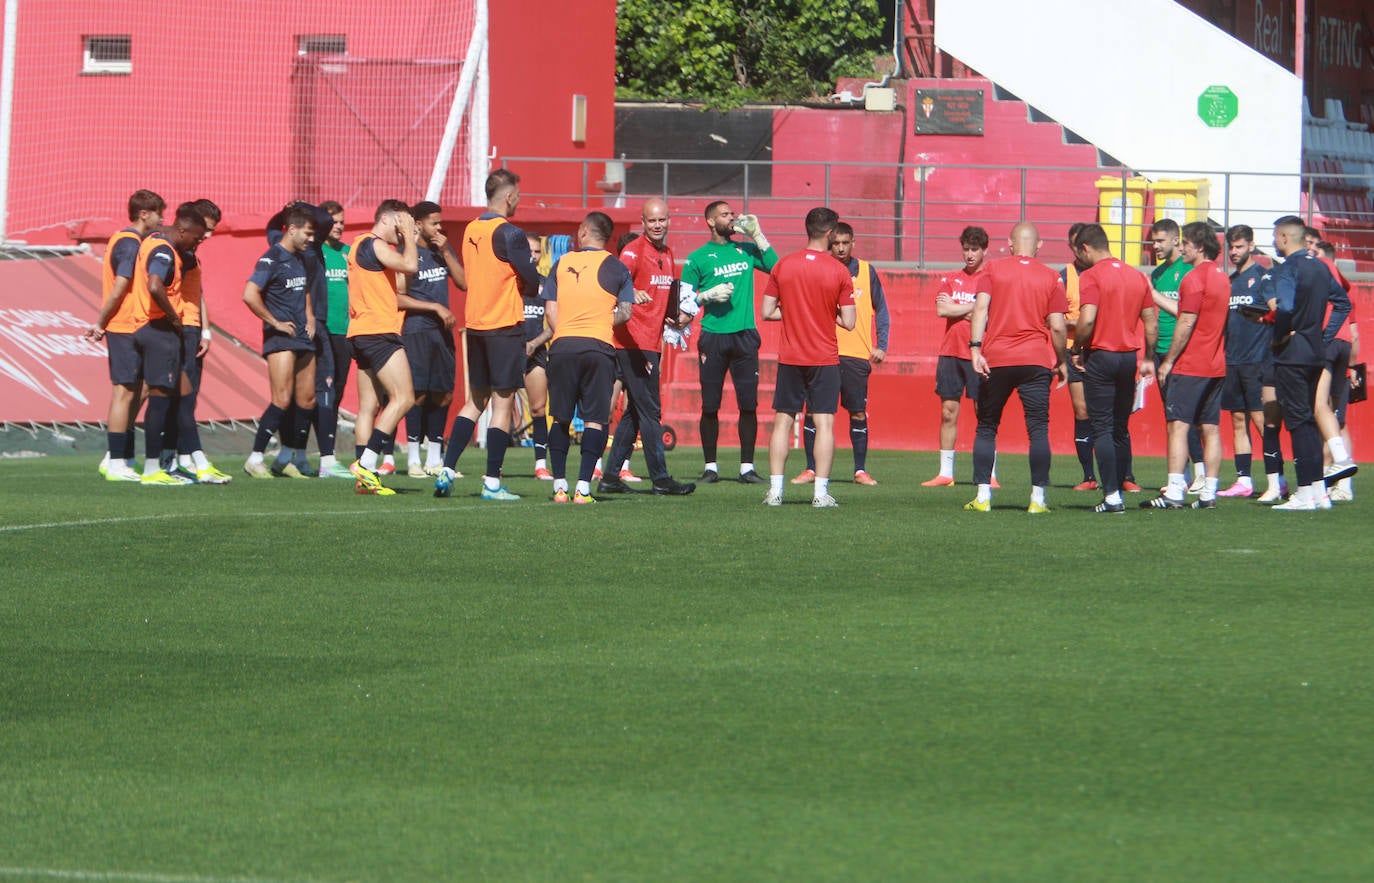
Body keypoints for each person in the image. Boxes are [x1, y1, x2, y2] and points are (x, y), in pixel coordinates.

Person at [435, 169, 541, 501]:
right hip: (504, 326)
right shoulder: (510, 233)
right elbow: (533, 281)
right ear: (509, 197)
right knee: (503, 404)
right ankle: (492, 482)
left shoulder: (470, 229)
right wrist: (526, 284)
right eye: (518, 196)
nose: (519, 202)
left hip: (477, 325)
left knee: (475, 402)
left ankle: (447, 470)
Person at [966, 223, 1069, 514]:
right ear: (1039, 245)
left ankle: (983, 496)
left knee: (987, 426)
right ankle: (1037, 500)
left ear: (1010, 244)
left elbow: (980, 309)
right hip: (1036, 359)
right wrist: (1062, 360)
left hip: (996, 357)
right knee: (1038, 429)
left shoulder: (993, 269)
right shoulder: (1051, 276)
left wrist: (975, 348)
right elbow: (1059, 326)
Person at [597, 197, 696, 496]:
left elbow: (664, 296)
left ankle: (611, 476)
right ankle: (661, 478)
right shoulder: (632, 251)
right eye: (651, 220)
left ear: (668, 221)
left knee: (637, 413)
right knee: (651, 411)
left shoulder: (668, 252)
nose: (657, 225)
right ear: (642, 222)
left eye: (661, 220)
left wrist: (678, 317)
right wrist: (632, 292)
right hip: (631, 344)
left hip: (651, 343)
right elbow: (612, 286)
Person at [760, 207, 857, 507]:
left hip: (791, 356)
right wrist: (825, 313)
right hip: (824, 358)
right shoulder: (839, 271)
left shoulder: (783, 266)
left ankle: (775, 491)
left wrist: (795, 312)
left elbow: (766, 311)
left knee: (783, 422)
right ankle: (820, 493)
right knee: (825, 423)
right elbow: (850, 321)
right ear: (830, 234)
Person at [679, 201, 779, 484]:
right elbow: (683, 301)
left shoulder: (746, 250)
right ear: (711, 222)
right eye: (725, 215)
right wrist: (706, 296)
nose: (732, 218)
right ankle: (711, 467)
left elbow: (777, 268)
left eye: (732, 214)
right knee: (710, 405)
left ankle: (747, 467)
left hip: (745, 336)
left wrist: (759, 236)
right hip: (712, 336)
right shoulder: (697, 258)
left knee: (749, 404)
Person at [541, 211, 635, 503]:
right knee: (595, 419)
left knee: (560, 418)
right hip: (598, 347)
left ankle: (559, 486)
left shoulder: (562, 262)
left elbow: (550, 311)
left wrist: (568, 332)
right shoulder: (617, 267)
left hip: (563, 345)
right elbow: (626, 312)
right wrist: (601, 323)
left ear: (583, 231)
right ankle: (583, 488)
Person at [1260, 215, 1352, 510]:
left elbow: (1284, 305)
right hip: (1315, 352)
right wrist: (1323, 337)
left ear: (1285, 238)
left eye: (1275, 236)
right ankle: (1318, 492)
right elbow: (1343, 304)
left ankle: (1303, 493)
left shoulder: (1288, 268)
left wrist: (1279, 335)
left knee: (1298, 422)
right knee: (1309, 421)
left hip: (1293, 354)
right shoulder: (1321, 267)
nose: (1274, 242)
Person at [790, 221, 889, 486]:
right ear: (830, 244)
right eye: (837, 244)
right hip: (823, 352)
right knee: (814, 411)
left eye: (846, 243)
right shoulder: (822, 270)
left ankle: (860, 471)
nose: (842, 248)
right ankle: (811, 469)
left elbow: (882, 310)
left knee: (857, 411)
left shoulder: (867, 272)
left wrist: (882, 345)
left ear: (853, 243)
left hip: (856, 355)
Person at [1069, 223, 1157, 513]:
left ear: (1085, 248)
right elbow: (1151, 323)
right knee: (1121, 428)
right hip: (1128, 357)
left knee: (1102, 428)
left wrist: (1076, 348)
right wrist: (1149, 357)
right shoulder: (1137, 275)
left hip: (1102, 356)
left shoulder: (1092, 276)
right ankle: (1119, 487)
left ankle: (1111, 497)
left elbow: (1088, 319)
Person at [1144, 222, 1229, 510]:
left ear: (1200, 246)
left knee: (1178, 427)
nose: (1183, 248)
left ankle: (1175, 490)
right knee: (1211, 429)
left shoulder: (1193, 279)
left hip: (1192, 364)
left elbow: (1186, 321)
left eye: (1187, 243)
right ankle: (1209, 493)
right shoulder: (1222, 277)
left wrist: (1168, 361)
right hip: (1216, 364)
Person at [86, 189, 166, 481]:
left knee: (140, 388)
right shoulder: (130, 243)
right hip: (124, 325)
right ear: (144, 214)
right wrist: (101, 321)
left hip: (134, 325)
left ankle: (115, 454)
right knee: (124, 391)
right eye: (159, 213)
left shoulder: (129, 240)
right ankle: (116, 461)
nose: (162, 218)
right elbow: (121, 285)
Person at [126, 203, 207, 485]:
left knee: (179, 395)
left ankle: (177, 462)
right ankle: (152, 469)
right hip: (158, 329)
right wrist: (174, 317)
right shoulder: (164, 250)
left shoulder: (155, 241)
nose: (197, 242)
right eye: (196, 237)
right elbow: (154, 285)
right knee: (159, 399)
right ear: (182, 230)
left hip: (150, 328)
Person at [347, 200, 420, 495]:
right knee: (404, 398)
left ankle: (363, 480)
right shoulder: (375, 244)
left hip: (360, 332)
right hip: (379, 332)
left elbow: (403, 284)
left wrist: (406, 243)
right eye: (401, 226)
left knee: (369, 407)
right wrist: (411, 241)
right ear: (390, 219)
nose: (403, 235)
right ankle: (366, 464)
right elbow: (411, 264)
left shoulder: (360, 246)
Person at [242, 206, 319, 479]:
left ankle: (286, 458)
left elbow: (304, 290)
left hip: (303, 336)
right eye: (307, 234)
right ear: (292, 229)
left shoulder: (300, 258)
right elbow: (250, 294)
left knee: (307, 400)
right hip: (281, 338)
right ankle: (255, 458)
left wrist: (310, 316)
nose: (311, 239)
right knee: (282, 399)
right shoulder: (271, 258)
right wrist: (274, 322)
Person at [161, 198, 232, 484]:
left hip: (192, 329)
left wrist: (205, 330)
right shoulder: (172, 249)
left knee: (185, 397)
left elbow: (197, 292)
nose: (208, 235)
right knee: (170, 395)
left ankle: (180, 458)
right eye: (207, 229)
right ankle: (126, 454)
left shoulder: (190, 251)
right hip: (178, 328)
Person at [399, 201, 465, 478]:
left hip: (442, 333)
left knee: (443, 394)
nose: (439, 227)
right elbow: (398, 297)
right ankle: (413, 459)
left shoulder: (440, 254)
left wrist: (447, 249)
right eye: (434, 223)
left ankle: (434, 459)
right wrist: (434, 307)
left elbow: (464, 282)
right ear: (419, 225)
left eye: (440, 223)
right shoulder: (407, 255)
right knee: (418, 394)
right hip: (417, 330)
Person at [922, 225, 990, 487]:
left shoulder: (990, 279)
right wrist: (975, 306)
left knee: (984, 413)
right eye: (966, 249)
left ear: (985, 250)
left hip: (979, 353)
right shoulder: (951, 278)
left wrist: (957, 308)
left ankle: (989, 474)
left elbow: (988, 313)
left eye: (975, 249)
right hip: (950, 352)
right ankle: (946, 473)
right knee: (948, 412)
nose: (970, 254)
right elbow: (941, 309)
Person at [1149, 218, 1207, 491]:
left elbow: (1184, 313)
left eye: (1160, 240)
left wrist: (1153, 296)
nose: (1155, 246)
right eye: (1153, 241)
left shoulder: (1189, 271)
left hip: (1182, 350)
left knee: (1186, 417)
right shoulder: (1158, 274)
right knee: (1172, 416)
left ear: (1176, 240)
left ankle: (1201, 473)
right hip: (1161, 350)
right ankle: (1180, 477)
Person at [1216, 225, 1272, 498]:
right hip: (1233, 360)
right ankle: (1244, 480)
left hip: (1258, 360)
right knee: (1238, 420)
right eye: (1232, 247)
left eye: (1239, 247)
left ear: (1251, 246)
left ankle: (1278, 478)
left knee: (1262, 421)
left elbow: (1277, 314)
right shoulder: (1229, 281)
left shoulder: (1264, 278)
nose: (1234, 252)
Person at [1312, 239, 1359, 499]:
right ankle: (1338, 483)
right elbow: (1354, 332)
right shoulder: (1343, 286)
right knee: (1336, 420)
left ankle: (1337, 477)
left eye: (1312, 249)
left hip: (1330, 346)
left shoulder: (1322, 274)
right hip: (1343, 349)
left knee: (1325, 412)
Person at [523, 232, 552, 479]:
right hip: (509, 352)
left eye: (536, 252)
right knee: (499, 406)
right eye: (528, 251)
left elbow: (554, 323)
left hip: (536, 351)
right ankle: (495, 467)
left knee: (539, 408)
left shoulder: (546, 284)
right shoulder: (509, 282)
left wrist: (534, 344)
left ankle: (541, 464)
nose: (532, 257)